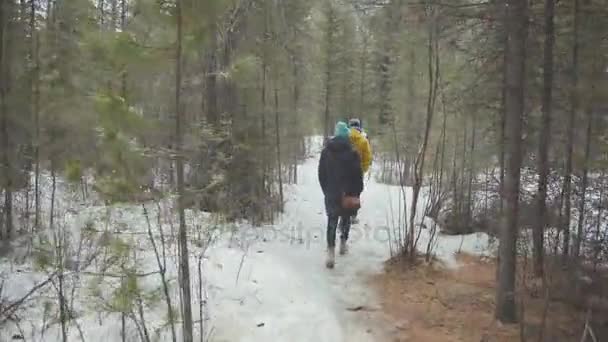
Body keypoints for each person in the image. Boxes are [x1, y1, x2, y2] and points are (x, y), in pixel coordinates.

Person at [318, 122, 364, 269]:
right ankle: (343, 243)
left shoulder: (326, 152)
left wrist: (326, 190)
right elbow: (358, 177)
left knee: (331, 222)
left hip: (331, 193)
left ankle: (330, 253)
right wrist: (356, 192)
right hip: (347, 194)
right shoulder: (353, 153)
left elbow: (321, 174)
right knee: (345, 219)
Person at [347, 118, 372, 224]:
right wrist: (364, 169)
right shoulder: (363, 140)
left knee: (345, 191)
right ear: (359, 127)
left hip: (344, 170)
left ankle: (343, 215)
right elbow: (367, 157)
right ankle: (353, 215)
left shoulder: (344, 138)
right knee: (355, 193)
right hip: (358, 171)